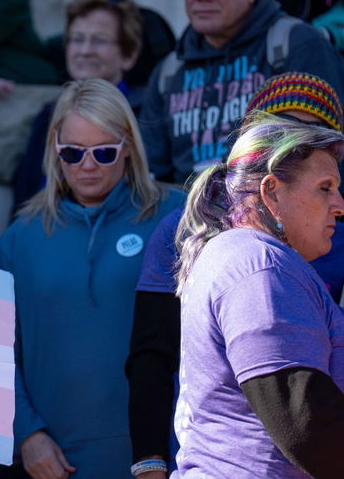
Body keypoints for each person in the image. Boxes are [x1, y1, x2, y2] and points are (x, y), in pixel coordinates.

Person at [125, 71, 344, 479]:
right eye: (325, 187)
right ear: (271, 189)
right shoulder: (257, 265)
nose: (339, 205)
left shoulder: (253, 253)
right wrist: (149, 462)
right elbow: (302, 421)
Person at [0, 79, 185, 478]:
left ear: (128, 147)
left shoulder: (175, 215)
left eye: (104, 152)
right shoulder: (19, 237)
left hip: (163, 455)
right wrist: (27, 435)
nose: (88, 165)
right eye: (73, 153)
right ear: (54, 150)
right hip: (55, 460)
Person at [140, 0, 344, 185]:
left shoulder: (298, 44)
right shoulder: (169, 70)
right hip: (186, 216)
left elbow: (329, 152)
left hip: (275, 213)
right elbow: (152, 175)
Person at [13, 0, 145, 211]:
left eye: (99, 41)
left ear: (129, 54)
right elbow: (25, 200)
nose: (84, 51)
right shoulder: (49, 115)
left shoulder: (144, 113)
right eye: (76, 39)